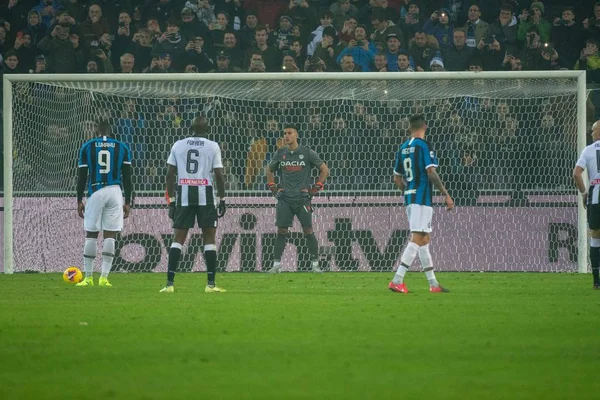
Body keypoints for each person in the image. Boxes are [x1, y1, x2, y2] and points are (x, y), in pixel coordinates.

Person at [388, 114, 454, 293]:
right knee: (417, 237)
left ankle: (433, 284)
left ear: (410, 128)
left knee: (424, 239)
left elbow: (396, 179)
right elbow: (431, 172)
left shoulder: (402, 147)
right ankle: (397, 279)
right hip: (422, 197)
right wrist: (446, 194)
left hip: (410, 197)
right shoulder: (424, 145)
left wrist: (408, 192)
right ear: (425, 126)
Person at [161, 116, 227, 293]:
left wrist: (172, 202)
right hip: (205, 194)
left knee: (178, 238)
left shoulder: (178, 144)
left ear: (190, 128)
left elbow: (169, 175)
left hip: (184, 195)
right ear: (208, 129)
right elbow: (219, 175)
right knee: (209, 238)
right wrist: (222, 199)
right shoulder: (212, 146)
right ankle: (210, 284)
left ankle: (169, 284)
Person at [76, 121, 133, 287]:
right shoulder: (121, 147)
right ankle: (104, 278)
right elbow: (128, 178)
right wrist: (128, 201)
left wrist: (79, 200)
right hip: (115, 191)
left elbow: (82, 176)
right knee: (110, 234)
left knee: (92, 233)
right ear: (112, 131)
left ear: (96, 131)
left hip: (95, 190)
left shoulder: (88, 146)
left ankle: (87, 278)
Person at [266, 125, 329, 273]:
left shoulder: (307, 152)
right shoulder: (280, 153)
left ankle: (315, 265)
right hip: (285, 199)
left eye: (289, 133)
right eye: (284, 133)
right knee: (281, 231)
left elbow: (325, 170)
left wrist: (315, 188)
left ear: (296, 135)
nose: (286, 136)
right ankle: (276, 265)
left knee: (308, 230)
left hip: (302, 199)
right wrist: (273, 188)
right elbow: (269, 170)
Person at [573, 120, 600, 289]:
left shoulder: (589, 150)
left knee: (596, 238)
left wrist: (584, 193)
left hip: (596, 198)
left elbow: (576, 173)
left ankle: (596, 281)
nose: (591, 133)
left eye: (593, 130)